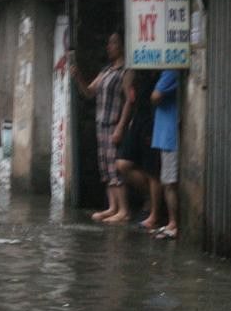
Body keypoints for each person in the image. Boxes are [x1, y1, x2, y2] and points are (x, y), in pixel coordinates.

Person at [71, 32, 128, 223]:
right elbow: (89, 92)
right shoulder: (106, 71)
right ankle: (113, 207)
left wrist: (121, 126)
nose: (109, 46)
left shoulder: (126, 72)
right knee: (105, 167)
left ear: (121, 46)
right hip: (100, 123)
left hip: (113, 123)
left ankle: (124, 210)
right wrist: (78, 77)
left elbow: (129, 100)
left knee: (115, 168)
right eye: (109, 43)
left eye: (113, 43)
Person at [114, 69, 163, 229]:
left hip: (151, 120)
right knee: (122, 164)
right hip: (138, 119)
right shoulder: (135, 72)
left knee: (152, 171)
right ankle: (151, 197)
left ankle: (155, 213)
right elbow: (129, 95)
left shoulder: (157, 72)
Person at [150, 69, 180, 240]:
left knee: (169, 182)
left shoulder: (171, 71)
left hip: (169, 135)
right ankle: (171, 222)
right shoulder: (168, 72)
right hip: (165, 135)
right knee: (167, 181)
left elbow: (155, 96)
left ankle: (173, 223)